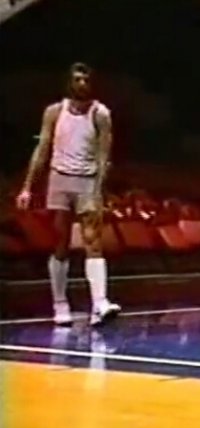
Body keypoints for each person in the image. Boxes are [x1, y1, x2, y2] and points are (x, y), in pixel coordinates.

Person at [15, 62, 121, 327]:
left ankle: (100, 303)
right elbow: (42, 149)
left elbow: (104, 156)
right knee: (60, 243)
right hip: (59, 179)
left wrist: (98, 190)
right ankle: (60, 304)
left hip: (87, 180)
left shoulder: (100, 114)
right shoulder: (54, 111)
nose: (82, 84)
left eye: (86, 80)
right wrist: (27, 187)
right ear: (69, 83)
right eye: (77, 79)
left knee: (92, 241)